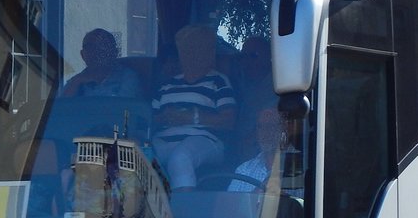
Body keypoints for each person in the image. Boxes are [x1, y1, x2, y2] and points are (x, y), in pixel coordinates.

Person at [152, 24, 237, 190]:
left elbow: (229, 120)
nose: (190, 53)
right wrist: (164, 117)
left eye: (196, 48)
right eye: (186, 48)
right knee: (140, 155)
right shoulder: (167, 85)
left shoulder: (218, 81)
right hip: (163, 141)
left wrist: (192, 117)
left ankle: (182, 212)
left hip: (205, 141)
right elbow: (148, 120)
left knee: (181, 158)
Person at [61, 28, 144, 98]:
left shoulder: (127, 78)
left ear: (114, 53)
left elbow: (122, 111)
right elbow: (61, 111)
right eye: (90, 47)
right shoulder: (76, 82)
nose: (96, 52)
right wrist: (74, 84)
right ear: (83, 54)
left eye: (102, 46)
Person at [228, 107, 289, 192]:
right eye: (260, 127)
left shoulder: (298, 168)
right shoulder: (244, 170)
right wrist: (257, 193)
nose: (265, 132)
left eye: (270, 126)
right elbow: (231, 204)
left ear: (283, 129)